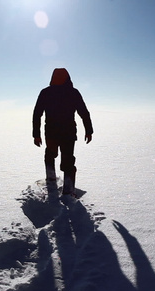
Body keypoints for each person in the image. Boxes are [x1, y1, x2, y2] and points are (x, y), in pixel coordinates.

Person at [32, 68, 93, 197]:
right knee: (67, 160)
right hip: (68, 133)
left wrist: (36, 135)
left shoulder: (46, 92)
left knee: (51, 155)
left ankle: (51, 180)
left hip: (52, 132)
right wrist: (89, 130)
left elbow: (37, 114)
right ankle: (68, 190)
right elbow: (84, 113)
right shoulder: (73, 92)